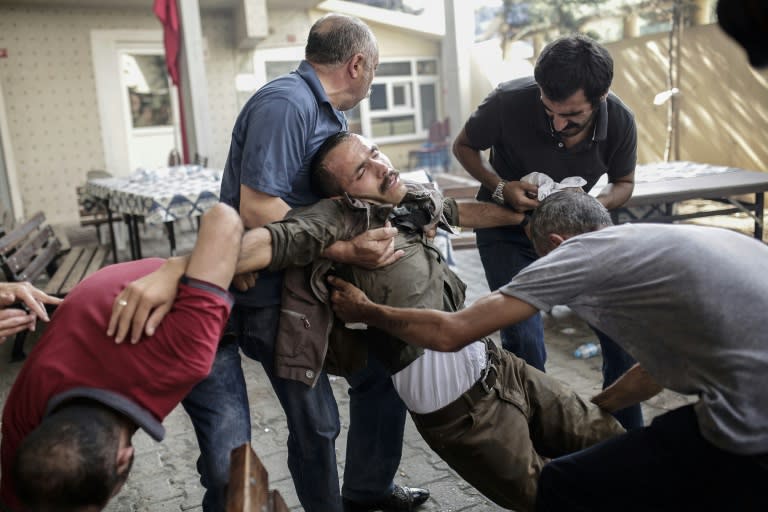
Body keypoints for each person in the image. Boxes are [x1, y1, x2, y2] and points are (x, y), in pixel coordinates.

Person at [111, 133, 625, 512]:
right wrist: (180, 268)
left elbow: (459, 213)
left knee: (610, 436)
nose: (379, 167)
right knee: (554, 499)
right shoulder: (337, 219)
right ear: (342, 193)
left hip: (500, 366)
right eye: (361, 170)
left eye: (373, 153)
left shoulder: (410, 198)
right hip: (464, 416)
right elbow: (266, 242)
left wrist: (526, 215)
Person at [328, 190, 768, 511]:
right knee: (623, 459)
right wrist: (595, 406)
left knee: (560, 486)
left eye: (539, 259)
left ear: (556, 246)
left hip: (752, 423)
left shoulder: (579, 255)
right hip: (749, 404)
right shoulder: (646, 245)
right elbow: (653, 371)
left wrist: (367, 310)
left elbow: (452, 333)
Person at [170, 13, 425, 512]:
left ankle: (367, 492)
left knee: (380, 376)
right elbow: (259, 209)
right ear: (357, 64)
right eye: (373, 68)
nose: (372, 79)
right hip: (271, 295)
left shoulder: (327, 112)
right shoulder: (287, 103)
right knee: (317, 422)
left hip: (310, 281)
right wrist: (346, 250)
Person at [453, 34, 642, 429]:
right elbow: (465, 146)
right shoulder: (506, 101)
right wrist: (501, 185)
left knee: (623, 335)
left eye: (571, 115)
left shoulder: (621, 119)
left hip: (579, 233)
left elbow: (623, 183)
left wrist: (590, 205)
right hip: (508, 228)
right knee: (524, 342)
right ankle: (536, 439)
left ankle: (625, 439)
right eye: (549, 109)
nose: (558, 123)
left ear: (601, 97)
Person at [0, 203, 242, 511]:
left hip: (178, 311)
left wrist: (177, 267)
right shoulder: (22, 420)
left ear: (124, 457)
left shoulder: (184, 353)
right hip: (100, 308)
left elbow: (223, 218)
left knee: (226, 467)